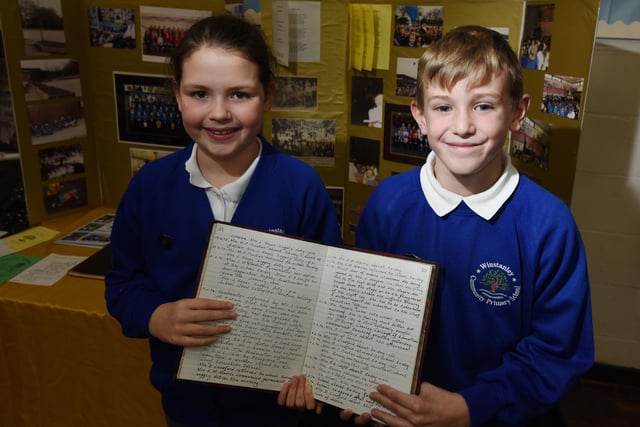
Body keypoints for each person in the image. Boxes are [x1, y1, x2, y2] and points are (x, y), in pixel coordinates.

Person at [281, 25, 593, 426]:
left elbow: (557, 351)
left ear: (517, 112)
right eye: (444, 107)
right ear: (420, 116)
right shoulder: (388, 204)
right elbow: (362, 315)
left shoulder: (549, 224)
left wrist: (471, 407)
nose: (462, 126)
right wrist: (355, 387)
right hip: (397, 414)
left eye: (483, 106)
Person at [105, 14, 342, 427]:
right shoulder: (149, 187)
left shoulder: (300, 187)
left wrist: (320, 375)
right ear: (177, 95)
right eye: (200, 93)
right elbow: (123, 283)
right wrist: (156, 316)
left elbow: (333, 299)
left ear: (267, 96)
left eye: (239, 94)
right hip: (187, 403)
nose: (218, 113)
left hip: (280, 407)